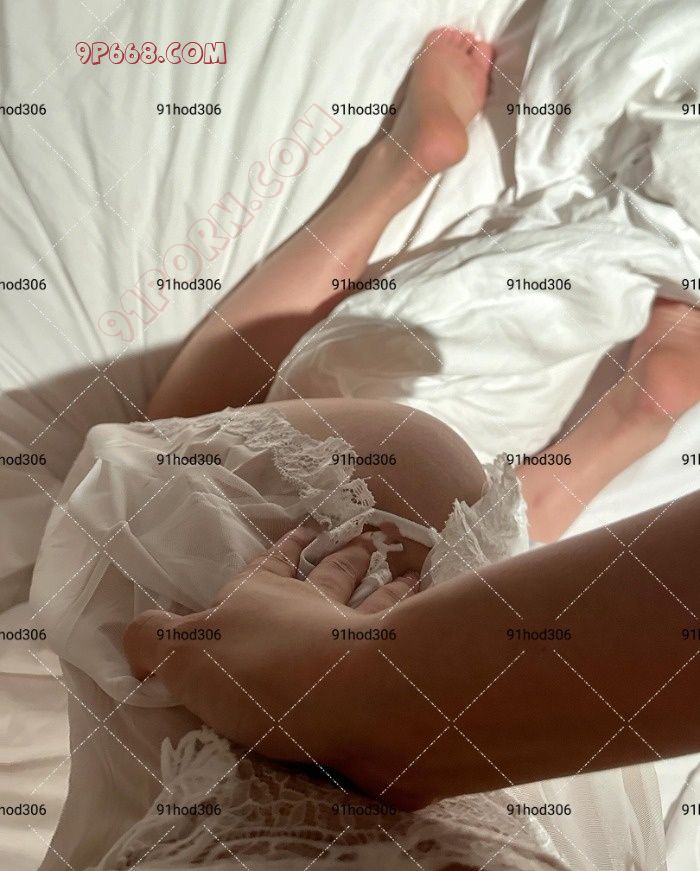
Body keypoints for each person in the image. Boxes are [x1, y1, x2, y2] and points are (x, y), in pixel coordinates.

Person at [125, 23, 700, 812]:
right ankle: (400, 171)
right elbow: (143, 639)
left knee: (170, 464)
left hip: (441, 584)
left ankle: (635, 412)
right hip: (369, 512)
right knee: (162, 460)